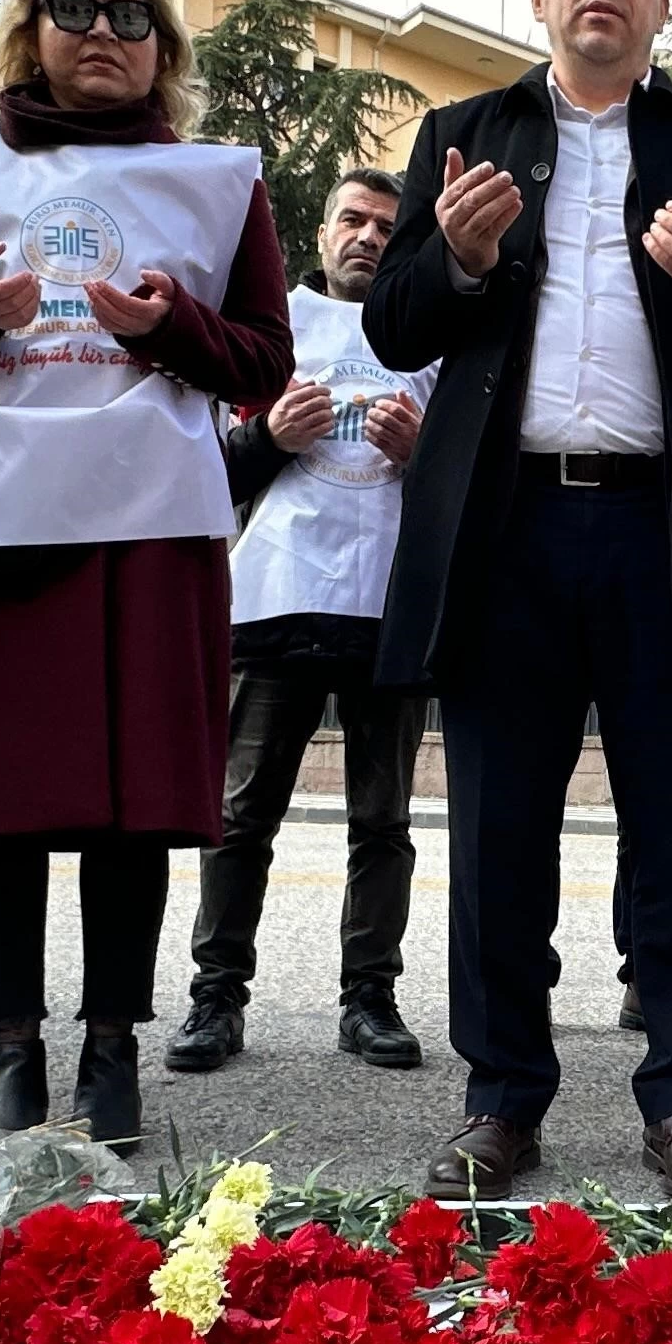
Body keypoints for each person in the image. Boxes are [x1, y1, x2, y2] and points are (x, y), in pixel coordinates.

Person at [366, 0, 672, 1204]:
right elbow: (396, 326)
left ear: (661, 2)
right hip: (505, 529)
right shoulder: (464, 136)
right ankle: (502, 1101)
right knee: (500, 837)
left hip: (662, 530)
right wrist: (451, 260)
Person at [0, 0, 291, 1143]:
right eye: (76, 9)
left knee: (129, 800)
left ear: (162, 47)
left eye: (131, 16)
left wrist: (167, 330)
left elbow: (265, 357)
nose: (104, 34)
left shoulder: (215, 181)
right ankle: (10, 1047)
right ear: (30, 26)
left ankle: (110, 1048)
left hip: (145, 522)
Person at [168, 164, 429, 1076]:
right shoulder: (269, 329)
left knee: (383, 822)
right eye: (352, 220)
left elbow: (468, 494)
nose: (367, 237)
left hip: (387, 612)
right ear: (321, 232)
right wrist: (265, 437)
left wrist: (423, 456)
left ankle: (371, 999)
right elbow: (203, 479)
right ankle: (215, 1000)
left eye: (388, 228)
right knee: (239, 817)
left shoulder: (430, 337)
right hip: (275, 598)